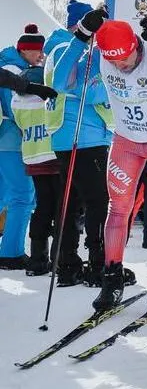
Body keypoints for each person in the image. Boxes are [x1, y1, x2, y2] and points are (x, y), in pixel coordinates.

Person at [58, 9, 147, 312]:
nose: (121, 67)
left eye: (127, 60)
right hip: (127, 141)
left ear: (136, 46)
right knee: (117, 209)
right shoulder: (100, 57)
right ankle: (112, 278)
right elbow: (60, 81)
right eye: (115, 62)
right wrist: (80, 37)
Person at [47, 1, 117, 286]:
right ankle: (97, 265)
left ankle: (68, 264)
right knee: (97, 202)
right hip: (85, 138)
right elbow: (93, 91)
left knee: (71, 202)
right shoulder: (70, 49)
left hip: (67, 138)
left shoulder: (57, 49)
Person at [0, 25, 57, 269]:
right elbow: (13, 110)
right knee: (22, 197)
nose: (41, 56)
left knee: (4, 194)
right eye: (37, 52)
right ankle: (10, 254)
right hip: (11, 141)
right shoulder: (14, 70)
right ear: (25, 50)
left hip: (4, 141)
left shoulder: (11, 65)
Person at [11, 64, 62, 276]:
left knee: (42, 207)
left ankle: (37, 259)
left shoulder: (17, 102)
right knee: (62, 208)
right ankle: (61, 258)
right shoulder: (47, 100)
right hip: (53, 155)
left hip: (33, 158)